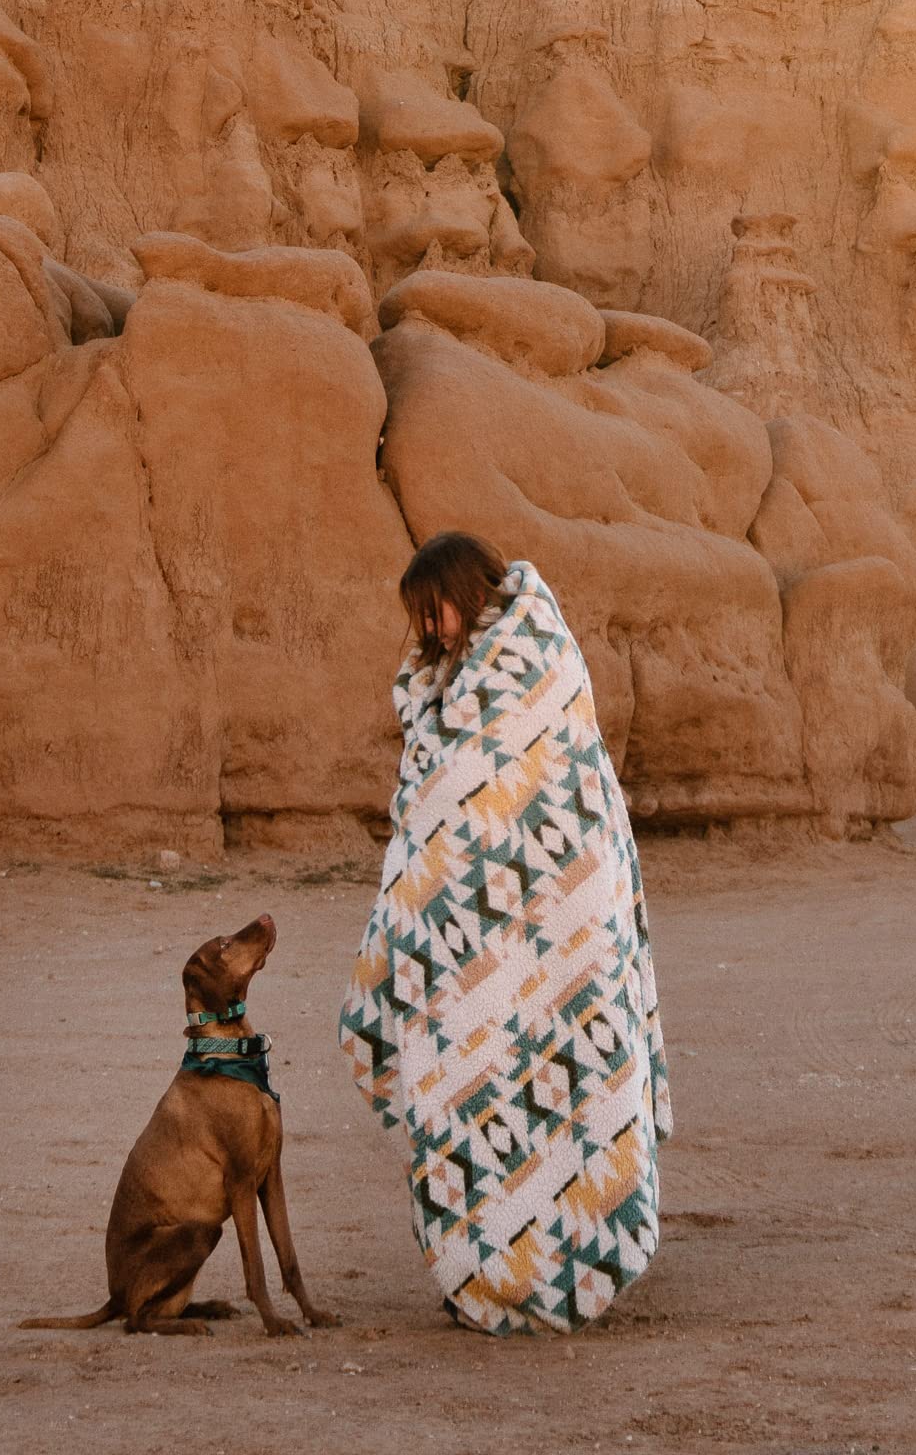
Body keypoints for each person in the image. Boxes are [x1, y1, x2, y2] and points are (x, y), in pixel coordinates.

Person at [338, 531, 672, 1334]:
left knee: (564, 1075)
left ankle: (566, 1266)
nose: (433, 629)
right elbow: (442, 806)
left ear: (469, 590)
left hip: (563, 919)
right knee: (472, 1083)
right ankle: (480, 1269)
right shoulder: (441, 685)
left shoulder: (535, 661)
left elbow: (538, 782)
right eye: (421, 617)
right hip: (469, 938)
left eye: (437, 609)